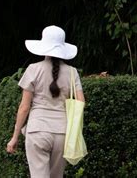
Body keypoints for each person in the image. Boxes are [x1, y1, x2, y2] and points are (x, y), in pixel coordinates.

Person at [6, 25, 85, 178]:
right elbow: (81, 101)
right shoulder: (72, 72)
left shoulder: (33, 69)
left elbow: (24, 107)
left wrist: (15, 136)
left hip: (37, 131)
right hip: (62, 133)